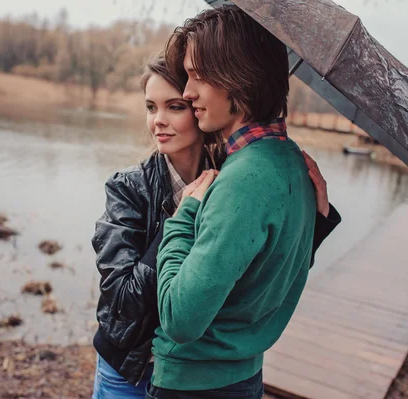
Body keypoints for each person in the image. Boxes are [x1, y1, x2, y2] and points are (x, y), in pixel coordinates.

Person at [91, 55, 340, 397]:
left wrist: (317, 219)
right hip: (130, 371)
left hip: (194, 375)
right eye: (151, 107)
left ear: (198, 106)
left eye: (175, 106)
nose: (158, 121)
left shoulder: (236, 181)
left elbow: (261, 275)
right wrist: (179, 222)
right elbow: (122, 303)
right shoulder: (128, 189)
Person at [147, 6, 337, 398]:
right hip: (243, 377)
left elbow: (179, 319)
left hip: (195, 385)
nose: (187, 91)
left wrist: (184, 218)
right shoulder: (291, 160)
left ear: (240, 77)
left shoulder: (244, 181)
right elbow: (266, 277)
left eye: (199, 76)